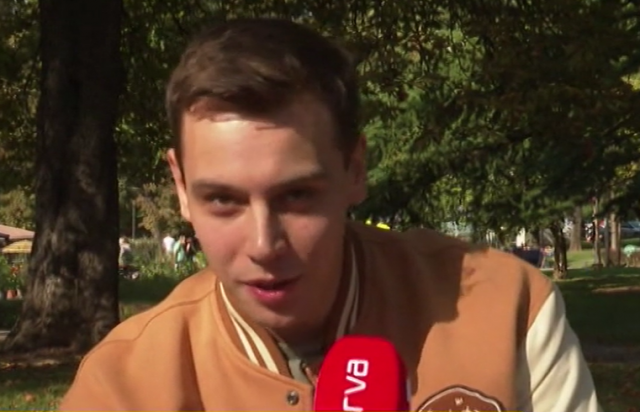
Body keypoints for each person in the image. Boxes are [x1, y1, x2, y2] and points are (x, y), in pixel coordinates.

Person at [60, 18, 602, 411]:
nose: (263, 244)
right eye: (223, 200)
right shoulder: (122, 385)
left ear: (354, 170)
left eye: (297, 196)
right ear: (180, 187)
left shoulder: (506, 309)